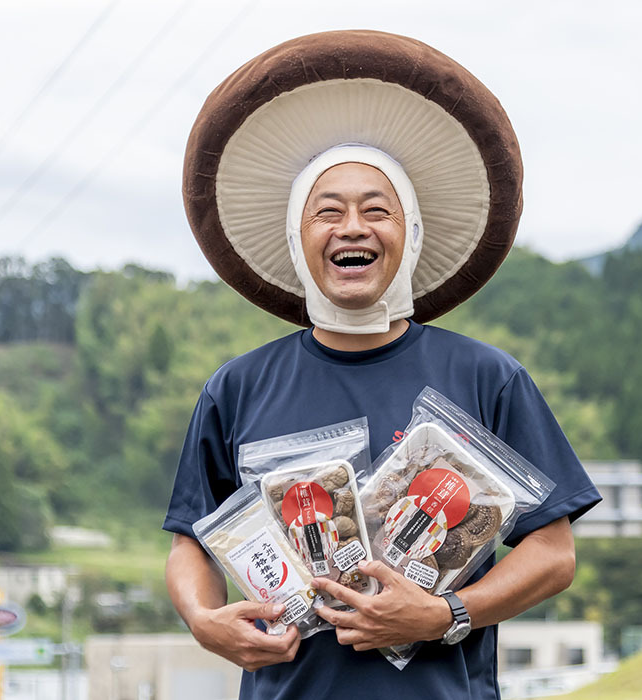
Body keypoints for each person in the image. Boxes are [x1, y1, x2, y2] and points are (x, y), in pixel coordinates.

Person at [163, 30, 602, 700]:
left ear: (412, 234)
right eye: (327, 213)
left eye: (377, 211)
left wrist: (445, 613)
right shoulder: (237, 388)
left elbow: (552, 554)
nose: (353, 228)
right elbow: (191, 541)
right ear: (297, 238)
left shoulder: (487, 378)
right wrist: (203, 620)